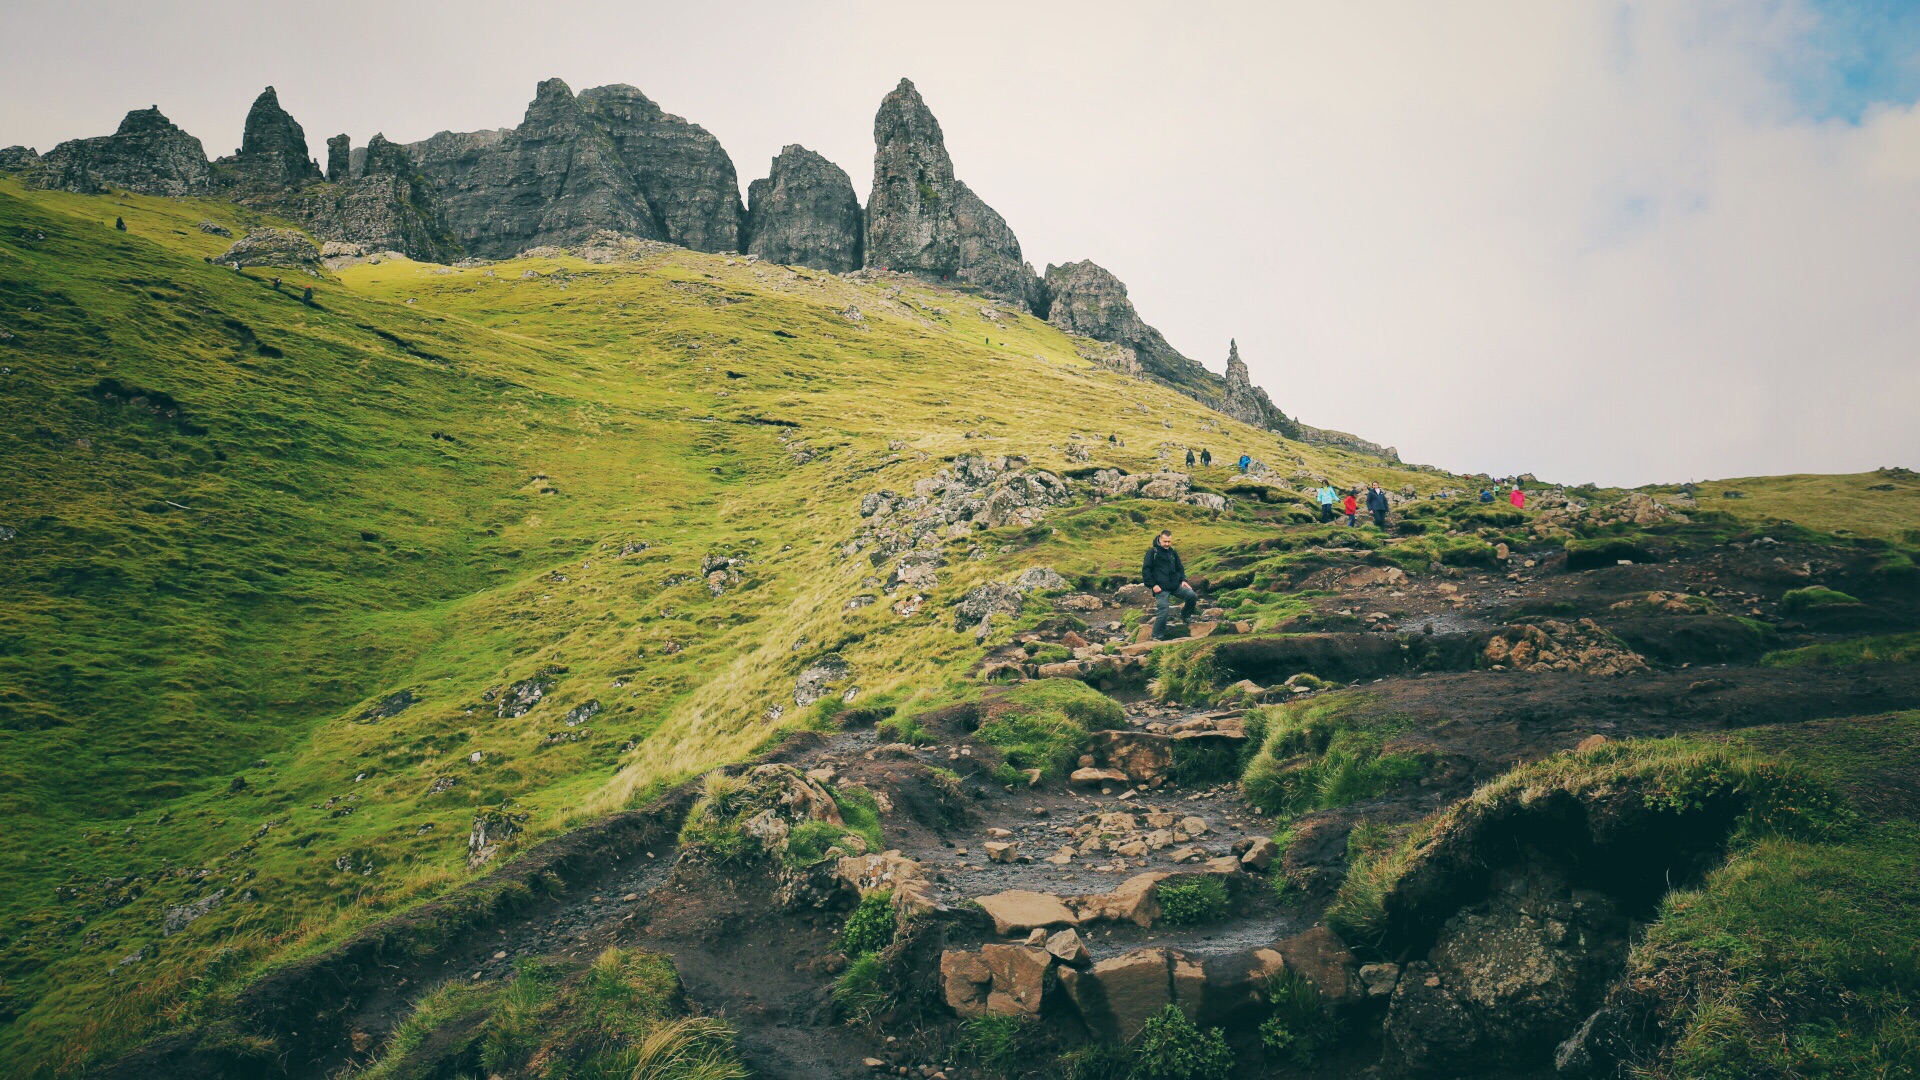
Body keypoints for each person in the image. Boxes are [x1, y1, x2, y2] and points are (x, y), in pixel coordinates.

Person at [1142, 529, 1199, 640]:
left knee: (1192, 595)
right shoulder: (1152, 552)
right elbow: (1146, 571)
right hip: (1160, 588)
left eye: (1169, 542)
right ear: (1160, 539)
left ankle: (1185, 615)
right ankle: (1157, 636)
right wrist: (1153, 585)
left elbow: (1179, 568)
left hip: (1175, 585)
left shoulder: (1173, 553)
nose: (1167, 544)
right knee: (1164, 609)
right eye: (1165, 541)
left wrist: (1183, 580)